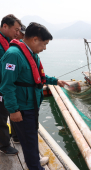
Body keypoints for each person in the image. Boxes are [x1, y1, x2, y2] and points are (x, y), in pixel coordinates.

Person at [0, 22, 69, 170]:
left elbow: (37, 76)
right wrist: (13, 110)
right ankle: (35, 167)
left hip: (31, 105)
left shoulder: (31, 53)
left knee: (30, 140)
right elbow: (7, 85)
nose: (44, 48)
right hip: (22, 109)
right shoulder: (13, 55)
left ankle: (34, 164)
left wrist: (55, 81)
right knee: (30, 142)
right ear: (35, 39)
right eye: (44, 44)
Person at [0, 14, 21, 155]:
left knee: (8, 111)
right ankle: (4, 145)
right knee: (1, 115)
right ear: (5, 26)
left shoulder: (7, 41)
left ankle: (16, 136)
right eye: (16, 29)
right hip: (2, 86)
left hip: (8, 85)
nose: (17, 33)